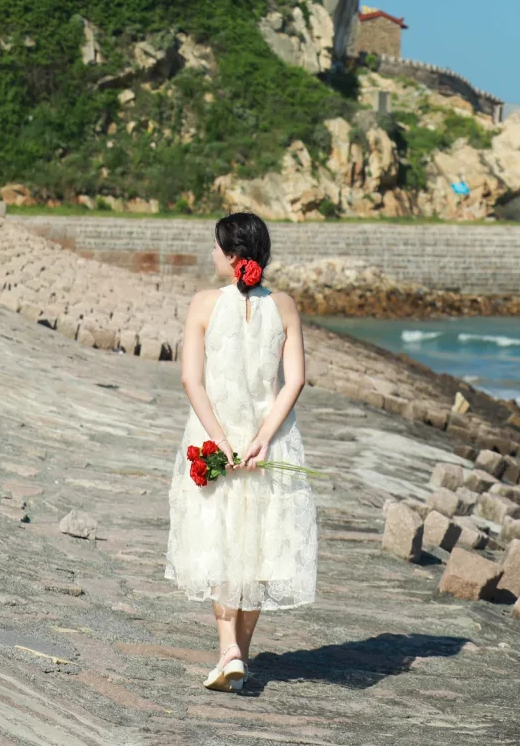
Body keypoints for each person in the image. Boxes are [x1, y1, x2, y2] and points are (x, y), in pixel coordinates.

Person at [165, 212, 317, 692]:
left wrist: (222, 442)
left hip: (215, 437)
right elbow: (294, 381)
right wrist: (263, 438)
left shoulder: (203, 304)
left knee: (219, 540)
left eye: (216, 247)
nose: (212, 255)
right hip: (267, 443)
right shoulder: (286, 306)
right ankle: (239, 658)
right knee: (258, 545)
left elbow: (191, 379)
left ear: (232, 255)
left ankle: (228, 649)